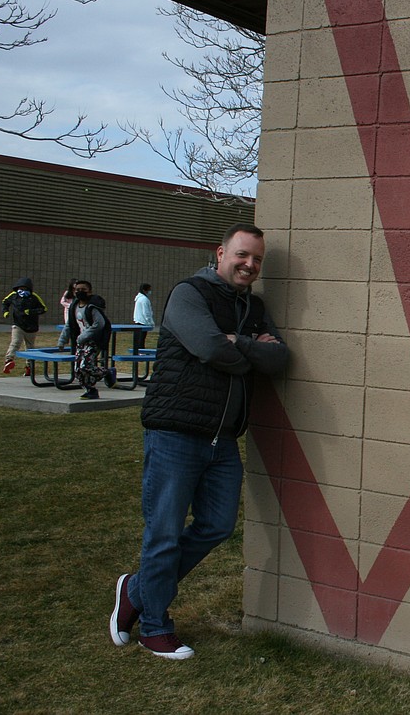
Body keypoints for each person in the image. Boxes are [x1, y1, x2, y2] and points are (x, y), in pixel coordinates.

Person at [109, 224, 289, 660]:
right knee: (165, 533)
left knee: (216, 526)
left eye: (258, 260)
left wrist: (239, 341)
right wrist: (245, 349)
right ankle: (154, 626)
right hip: (175, 433)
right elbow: (212, 350)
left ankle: (136, 590)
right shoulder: (189, 294)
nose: (249, 265)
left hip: (222, 439)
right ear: (221, 253)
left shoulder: (254, 307)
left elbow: (280, 358)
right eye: (242, 255)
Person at [68, 281, 114, 400]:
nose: (80, 292)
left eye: (83, 289)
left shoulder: (92, 307)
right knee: (77, 369)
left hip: (93, 341)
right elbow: (70, 324)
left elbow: (99, 324)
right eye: (77, 289)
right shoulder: (74, 306)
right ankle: (90, 389)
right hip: (80, 342)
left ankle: (107, 372)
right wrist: (62, 340)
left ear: (90, 292)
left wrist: (84, 336)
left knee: (86, 366)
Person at [1, 277, 48, 376]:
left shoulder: (34, 297)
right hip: (18, 325)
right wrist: (5, 311)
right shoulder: (13, 295)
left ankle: (29, 367)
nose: (23, 291)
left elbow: (44, 308)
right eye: (21, 288)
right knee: (15, 342)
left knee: (30, 348)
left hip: (31, 327)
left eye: (25, 289)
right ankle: (9, 360)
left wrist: (31, 312)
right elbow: (5, 302)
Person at [132, 282, 155, 352]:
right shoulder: (144, 300)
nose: (150, 292)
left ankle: (137, 350)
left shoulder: (139, 298)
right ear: (145, 290)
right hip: (143, 322)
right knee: (141, 338)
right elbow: (146, 313)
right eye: (149, 290)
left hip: (138, 320)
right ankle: (141, 351)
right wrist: (150, 322)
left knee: (138, 338)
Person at [56, 279, 77, 349]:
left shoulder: (78, 292)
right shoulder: (67, 293)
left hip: (77, 311)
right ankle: (63, 341)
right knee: (69, 325)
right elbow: (62, 302)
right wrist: (70, 306)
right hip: (69, 311)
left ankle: (68, 341)